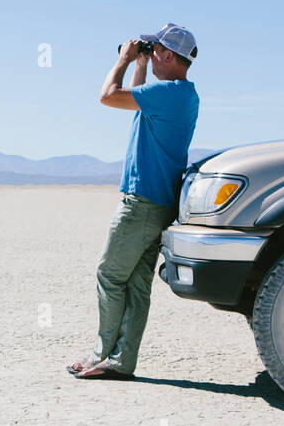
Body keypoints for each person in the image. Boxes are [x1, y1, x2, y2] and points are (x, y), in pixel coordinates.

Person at [68, 23, 200, 380]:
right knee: (137, 285)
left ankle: (102, 355)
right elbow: (137, 97)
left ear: (169, 55)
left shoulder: (168, 93)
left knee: (109, 275)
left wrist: (125, 59)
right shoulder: (181, 95)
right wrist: (142, 62)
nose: (152, 53)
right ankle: (121, 361)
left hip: (140, 202)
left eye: (156, 50)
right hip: (160, 202)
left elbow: (109, 95)